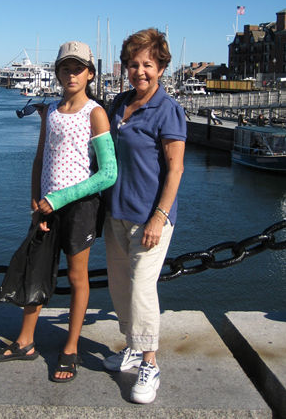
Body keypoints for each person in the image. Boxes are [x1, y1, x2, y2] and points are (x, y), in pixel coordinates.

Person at [0, 41, 117, 382]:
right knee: (37, 270)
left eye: (78, 69)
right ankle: (25, 341)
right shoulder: (52, 113)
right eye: (65, 69)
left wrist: (61, 198)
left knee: (76, 277)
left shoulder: (95, 113)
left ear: (90, 74)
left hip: (80, 208)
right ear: (57, 73)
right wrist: (35, 200)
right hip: (46, 206)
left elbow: (108, 173)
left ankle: (70, 348)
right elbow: (40, 159)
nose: (72, 75)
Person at [102, 28, 186, 404]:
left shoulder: (168, 110)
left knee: (141, 289)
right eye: (133, 64)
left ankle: (150, 363)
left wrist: (159, 217)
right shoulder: (119, 103)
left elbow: (175, 169)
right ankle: (133, 347)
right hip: (116, 212)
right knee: (120, 286)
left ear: (161, 68)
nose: (140, 71)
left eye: (148, 64)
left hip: (149, 217)